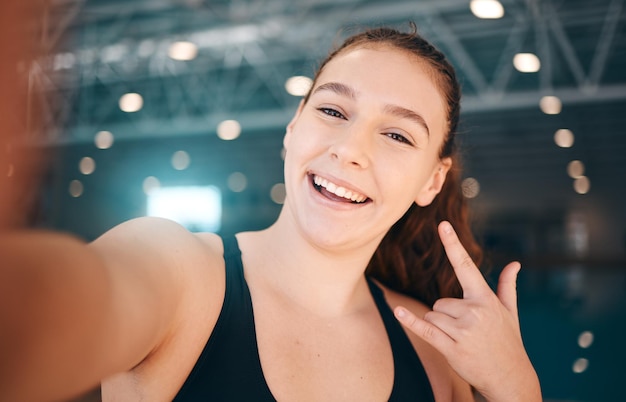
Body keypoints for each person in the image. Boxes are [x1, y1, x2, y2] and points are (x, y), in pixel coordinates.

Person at [0, 24, 542, 401]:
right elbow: (56, 309)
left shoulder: (435, 352)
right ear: (292, 130)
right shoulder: (179, 273)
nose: (350, 149)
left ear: (432, 180)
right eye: (332, 110)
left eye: (397, 134)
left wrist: (518, 390)